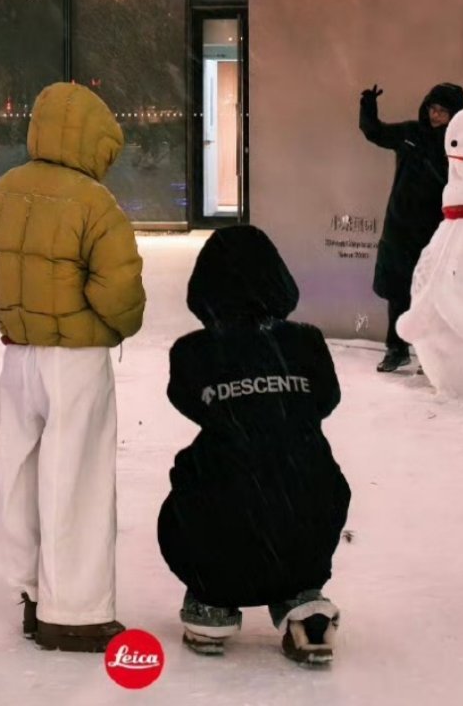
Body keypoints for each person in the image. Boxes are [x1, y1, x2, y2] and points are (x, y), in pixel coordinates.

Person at [0, 82, 146, 653]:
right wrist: (112, 325)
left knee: (20, 468)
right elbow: (120, 293)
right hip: (78, 361)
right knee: (78, 477)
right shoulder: (95, 203)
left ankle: (29, 590)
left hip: (19, 355)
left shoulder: (5, 190)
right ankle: (74, 610)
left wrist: (20, 308)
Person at [157, 226, 351, 666]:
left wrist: (237, 405)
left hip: (226, 523)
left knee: (197, 484)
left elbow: (187, 401)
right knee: (308, 486)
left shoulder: (193, 351)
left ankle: (212, 606)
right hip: (306, 521)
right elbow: (325, 400)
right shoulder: (306, 341)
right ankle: (303, 601)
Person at [359, 82, 463, 372]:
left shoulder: (459, 144)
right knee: (398, 290)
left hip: (437, 229)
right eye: (433, 108)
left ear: (455, 113)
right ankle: (396, 349)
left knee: (433, 292)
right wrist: (368, 106)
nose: (435, 115)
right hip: (401, 225)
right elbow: (375, 132)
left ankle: (431, 355)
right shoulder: (411, 133)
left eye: (443, 111)